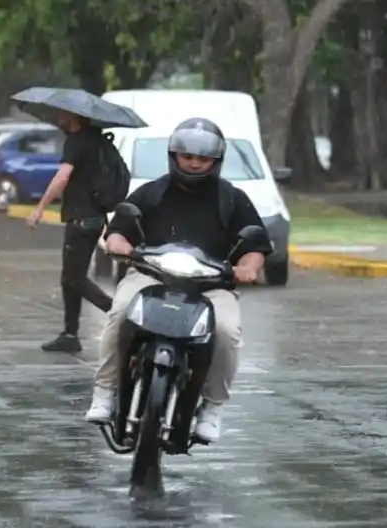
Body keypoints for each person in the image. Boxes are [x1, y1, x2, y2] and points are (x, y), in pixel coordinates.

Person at [83, 117, 270, 443]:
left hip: (212, 286)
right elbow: (117, 232)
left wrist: (248, 267)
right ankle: (106, 390)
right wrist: (121, 246)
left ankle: (213, 407)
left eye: (202, 158)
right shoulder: (152, 192)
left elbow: (255, 245)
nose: (194, 163)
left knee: (227, 332)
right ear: (174, 155)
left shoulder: (232, 199)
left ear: (216, 161)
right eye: (188, 157)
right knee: (119, 311)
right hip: (149, 275)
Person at [27, 111, 114, 353]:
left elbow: (62, 176)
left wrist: (39, 209)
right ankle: (70, 334)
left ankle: (117, 312)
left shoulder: (76, 141)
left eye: (62, 116)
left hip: (81, 219)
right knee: (70, 278)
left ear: (73, 117)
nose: (58, 119)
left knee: (75, 278)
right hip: (95, 218)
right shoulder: (97, 139)